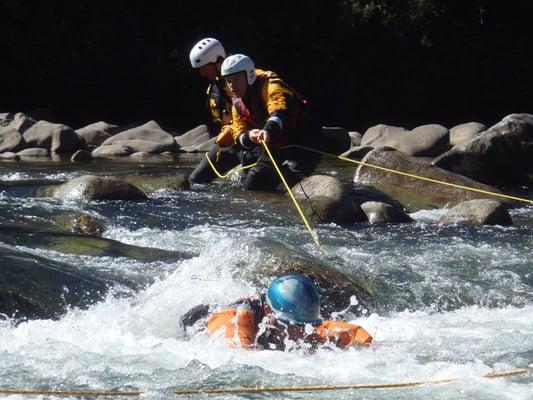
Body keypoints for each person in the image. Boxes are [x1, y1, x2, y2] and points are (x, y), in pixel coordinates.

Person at [190, 54, 322, 190]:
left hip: (302, 144)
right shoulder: (237, 102)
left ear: (249, 75)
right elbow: (238, 131)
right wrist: (249, 136)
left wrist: (267, 130)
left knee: (285, 183)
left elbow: (279, 113)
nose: (232, 85)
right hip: (272, 145)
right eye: (228, 81)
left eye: (236, 79)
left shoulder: (271, 85)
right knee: (251, 184)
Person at [206, 275, 373, 350]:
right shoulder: (230, 324)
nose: (299, 332)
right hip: (199, 321)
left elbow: (349, 331)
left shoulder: (300, 324)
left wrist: (373, 345)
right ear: (267, 311)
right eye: (291, 325)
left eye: (305, 325)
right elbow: (236, 359)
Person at [189, 37, 233, 135]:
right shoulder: (216, 86)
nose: (202, 73)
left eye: (205, 68)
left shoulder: (239, 83)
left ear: (218, 60)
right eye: (200, 69)